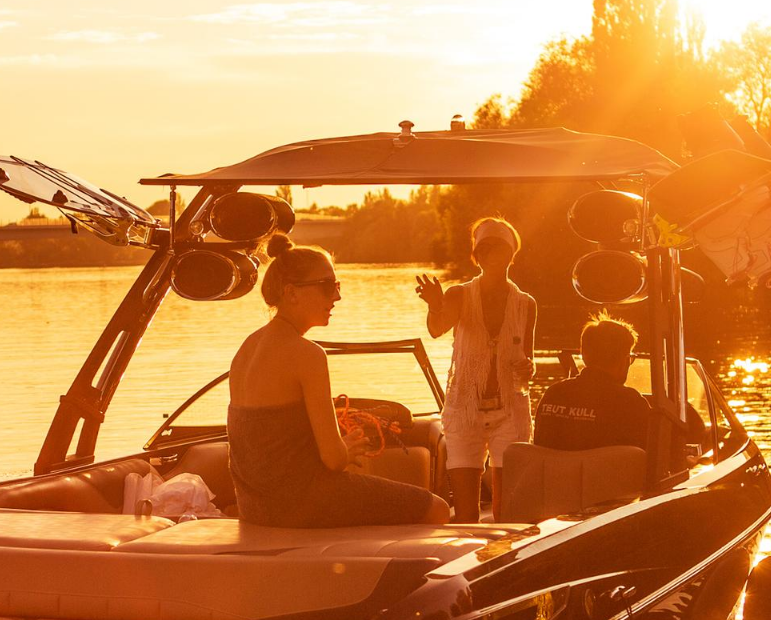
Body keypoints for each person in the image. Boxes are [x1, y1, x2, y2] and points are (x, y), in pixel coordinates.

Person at [227, 234, 450, 527]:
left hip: (255, 509)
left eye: (337, 286)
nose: (337, 296)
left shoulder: (246, 349)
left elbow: (265, 447)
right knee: (437, 509)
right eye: (327, 286)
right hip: (300, 506)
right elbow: (333, 460)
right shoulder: (308, 355)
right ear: (291, 292)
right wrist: (347, 447)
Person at [415, 218, 538, 522]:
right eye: (484, 252)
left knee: (508, 513)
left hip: (510, 412)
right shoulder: (459, 295)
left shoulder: (526, 304)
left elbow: (528, 362)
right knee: (467, 513)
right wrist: (434, 305)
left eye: (500, 251)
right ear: (477, 257)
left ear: (512, 254)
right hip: (464, 411)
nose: (491, 258)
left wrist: (527, 368)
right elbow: (436, 329)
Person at [532, 315, 652, 452]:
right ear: (624, 360)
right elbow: (651, 456)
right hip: (607, 473)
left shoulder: (554, 393)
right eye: (630, 358)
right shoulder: (632, 403)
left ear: (583, 355)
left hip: (556, 473)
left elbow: (540, 446)